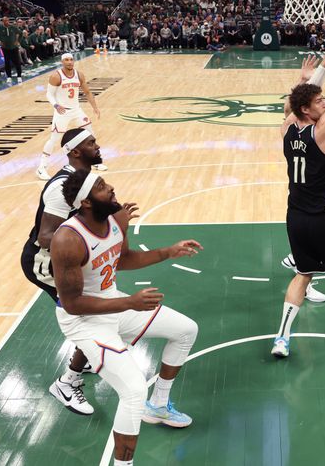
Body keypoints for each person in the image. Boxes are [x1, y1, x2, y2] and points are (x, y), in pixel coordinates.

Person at [51, 170, 201, 465]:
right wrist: (129, 302)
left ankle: (158, 404)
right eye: (102, 187)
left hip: (113, 304)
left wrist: (168, 252)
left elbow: (123, 259)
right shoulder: (67, 239)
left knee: (186, 330)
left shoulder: (114, 219)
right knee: (133, 390)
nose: (111, 188)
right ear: (86, 202)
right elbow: (72, 304)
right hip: (83, 319)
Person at [20, 129, 134, 415]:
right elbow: (47, 236)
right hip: (45, 264)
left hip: (77, 259)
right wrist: (90, 243)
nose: (97, 146)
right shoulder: (61, 188)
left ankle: (87, 360)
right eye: (91, 143)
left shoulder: (86, 182)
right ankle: (67, 382)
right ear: (75, 151)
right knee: (90, 312)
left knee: (100, 310)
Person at [271, 9, 325, 358]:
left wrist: (324, 62)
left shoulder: (286, 128)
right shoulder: (323, 131)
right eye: (320, 101)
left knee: (302, 275)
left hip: (295, 217)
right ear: (309, 111)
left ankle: (282, 338)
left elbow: (298, 99)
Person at [37, 53, 107, 180]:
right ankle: (41, 168)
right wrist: (56, 106)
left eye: (71, 60)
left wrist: (95, 107)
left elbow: (87, 92)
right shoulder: (56, 76)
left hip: (76, 110)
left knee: (90, 134)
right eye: (66, 60)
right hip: (62, 112)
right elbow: (49, 94)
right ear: (62, 62)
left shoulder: (79, 75)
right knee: (54, 139)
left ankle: (95, 162)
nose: (69, 62)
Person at [0, 16, 23, 84]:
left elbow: (21, 33)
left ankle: (19, 76)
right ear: (3, 21)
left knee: (17, 62)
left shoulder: (13, 27)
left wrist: (18, 41)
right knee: (7, 63)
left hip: (14, 47)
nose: (6, 22)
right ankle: (9, 77)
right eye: (5, 21)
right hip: (5, 48)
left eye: (7, 20)